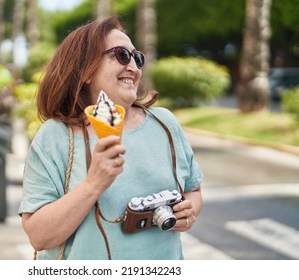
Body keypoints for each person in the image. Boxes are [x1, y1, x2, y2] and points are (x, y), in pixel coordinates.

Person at [18, 16, 204, 260]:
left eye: (137, 58)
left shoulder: (165, 123)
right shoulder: (55, 137)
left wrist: (188, 212)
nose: (134, 67)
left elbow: (193, 190)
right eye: (121, 55)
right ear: (84, 70)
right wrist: (94, 184)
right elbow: (39, 237)